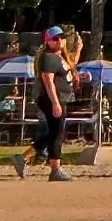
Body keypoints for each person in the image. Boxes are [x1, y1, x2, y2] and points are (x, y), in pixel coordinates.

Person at [22, 29, 76, 181]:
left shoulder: (59, 57)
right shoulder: (49, 57)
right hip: (51, 99)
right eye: (55, 38)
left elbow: (63, 76)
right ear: (48, 41)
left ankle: (22, 157)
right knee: (57, 134)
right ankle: (55, 169)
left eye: (61, 37)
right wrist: (55, 102)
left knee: (53, 133)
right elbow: (48, 81)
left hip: (60, 99)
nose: (59, 41)